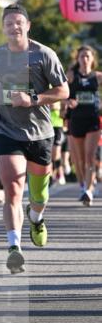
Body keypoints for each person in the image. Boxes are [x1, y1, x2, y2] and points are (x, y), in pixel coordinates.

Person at [0, 4, 69, 274]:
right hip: (7, 131)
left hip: (40, 133)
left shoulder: (43, 55)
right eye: (8, 24)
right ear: (3, 28)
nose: (14, 27)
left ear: (28, 26)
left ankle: (36, 218)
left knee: (39, 196)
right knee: (13, 188)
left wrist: (33, 99)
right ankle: (14, 248)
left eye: (18, 23)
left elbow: (63, 90)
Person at [65, 45, 102, 206]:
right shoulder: (72, 75)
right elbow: (60, 93)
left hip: (93, 120)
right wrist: (68, 101)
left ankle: (88, 190)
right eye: (82, 56)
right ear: (77, 59)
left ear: (93, 59)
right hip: (76, 119)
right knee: (78, 160)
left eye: (88, 56)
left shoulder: (98, 76)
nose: (85, 59)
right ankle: (82, 186)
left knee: (90, 157)